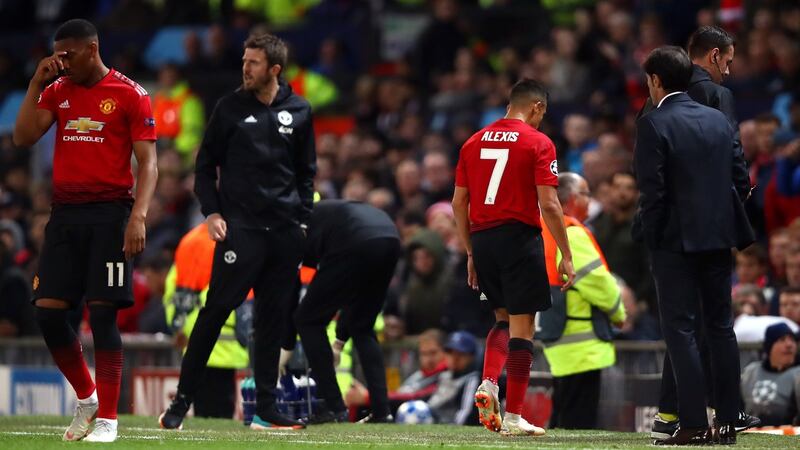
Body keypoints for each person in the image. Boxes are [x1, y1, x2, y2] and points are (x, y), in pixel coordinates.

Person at [159, 32, 316, 431]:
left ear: (274, 69)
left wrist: (301, 222)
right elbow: (203, 167)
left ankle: (265, 408)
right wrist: (211, 213)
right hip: (240, 230)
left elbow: (305, 173)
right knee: (214, 314)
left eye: (254, 63)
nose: (245, 68)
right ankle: (180, 402)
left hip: (283, 232)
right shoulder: (228, 108)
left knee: (272, 319)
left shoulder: (299, 110)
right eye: (244, 61)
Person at [12, 19, 158, 443]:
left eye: (68, 55)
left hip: (111, 215)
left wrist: (139, 216)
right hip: (65, 216)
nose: (61, 63)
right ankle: (87, 397)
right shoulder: (57, 90)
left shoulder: (130, 94)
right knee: (47, 312)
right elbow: (23, 137)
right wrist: (36, 81)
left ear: (92, 49)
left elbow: (148, 163)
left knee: (105, 313)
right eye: (56, 55)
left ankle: (109, 419)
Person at [642, 25, 760, 439]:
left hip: (675, 239)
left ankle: (689, 422)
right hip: (718, 234)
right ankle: (728, 417)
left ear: (656, 81)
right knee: (720, 327)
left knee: (681, 330)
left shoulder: (654, 121)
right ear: (709, 59)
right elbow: (739, 174)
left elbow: (653, 191)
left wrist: (652, 237)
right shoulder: (719, 116)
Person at [451, 78, 575, 437]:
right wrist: (565, 254)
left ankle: (489, 381)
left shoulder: (472, 142)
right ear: (536, 107)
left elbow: (459, 202)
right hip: (519, 238)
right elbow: (549, 203)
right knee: (524, 328)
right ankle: (515, 416)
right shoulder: (539, 142)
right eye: (542, 114)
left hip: (483, 238)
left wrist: (471, 251)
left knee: (501, 320)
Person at [286, 199, 401, 424]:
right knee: (363, 327)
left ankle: (332, 406)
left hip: (354, 239)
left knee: (307, 320)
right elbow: (351, 294)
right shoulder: (322, 216)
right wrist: (339, 341)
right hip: (390, 238)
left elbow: (291, 289)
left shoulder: (288, 232)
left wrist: (286, 342)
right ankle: (381, 411)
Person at [539, 172, 625, 429]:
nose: (591, 201)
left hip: (558, 339)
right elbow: (599, 283)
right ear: (573, 198)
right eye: (587, 194)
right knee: (578, 426)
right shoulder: (572, 234)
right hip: (582, 344)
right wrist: (619, 313)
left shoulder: (543, 229)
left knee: (561, 423)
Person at [162, 223, 249, 418]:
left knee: (201, 406)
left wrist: (176, 327)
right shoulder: (234, 237)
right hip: (228, 340)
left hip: (194, 336)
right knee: (220, 413)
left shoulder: (189, 240)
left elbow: (173, 288)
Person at [740, 323, 800, 426]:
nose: (789, 345)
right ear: (770, 347)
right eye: (782, 340)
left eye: (792, 339)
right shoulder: (750, 372)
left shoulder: (797, 374)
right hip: (751, 433)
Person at [427, 331, 481, 425]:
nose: (454, 358)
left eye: (461, 353)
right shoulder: (443, 375)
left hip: (448, 425)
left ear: (471, 357)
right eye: (450, 352)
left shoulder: (473, 379)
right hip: (430, 420)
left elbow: (465, 414)